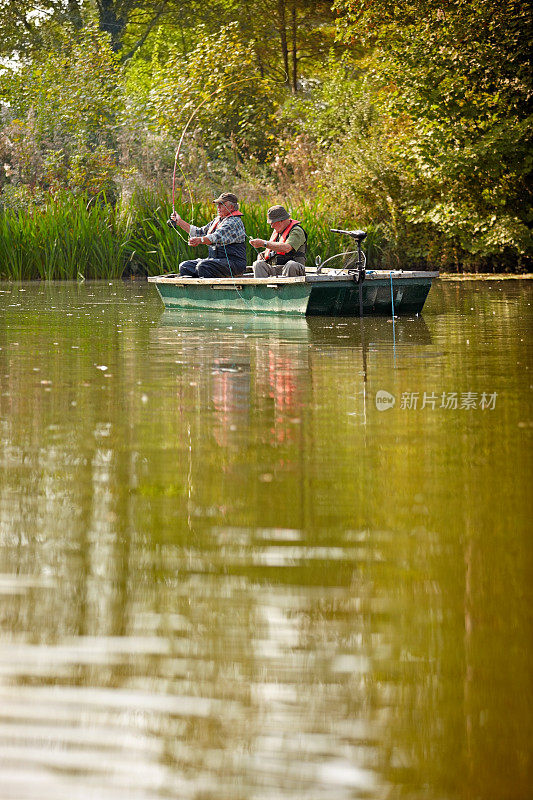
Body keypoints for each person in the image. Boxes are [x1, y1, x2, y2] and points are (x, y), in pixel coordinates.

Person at [169, 192, 247, 278]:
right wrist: (179, 222)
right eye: (218, 205)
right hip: (215, 260)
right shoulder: (217, 220)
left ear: (231, 207)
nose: (218, 207)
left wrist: (200, 240)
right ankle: (194, 290)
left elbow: (215, 237)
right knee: (185, 266)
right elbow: (199, 232)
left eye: (221, 205)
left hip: (234, 263)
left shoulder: (234, 222)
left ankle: (208, 290)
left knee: (203, 266)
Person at [250, 205, 307, 277]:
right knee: (258, 264)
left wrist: (264, 243)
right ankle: (262, 288)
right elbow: (275, 251)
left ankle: (289, 288)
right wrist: (262, 255)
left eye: (272, 223)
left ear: (281, 221)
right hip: (276, 269)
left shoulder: (297, 231)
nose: (271, 226)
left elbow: (287, 248)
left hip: (293, 269)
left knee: (291, 265)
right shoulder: (278, 232)